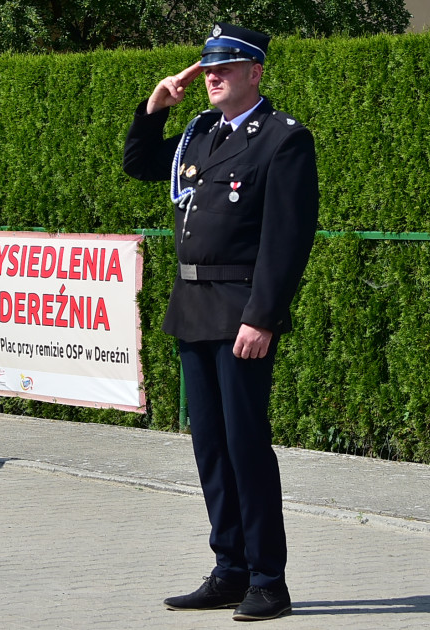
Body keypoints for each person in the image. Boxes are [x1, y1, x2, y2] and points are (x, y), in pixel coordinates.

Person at [122, 23, 319, 622]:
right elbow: (140, 164)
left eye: (226, 68)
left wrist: (262, 316)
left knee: (245, 447)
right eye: (208, 68)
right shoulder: (200, 132)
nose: (212, 76)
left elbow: (286, 240)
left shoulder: (282, 140)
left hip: (240, 314)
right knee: (210, 447)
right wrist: (153, 109)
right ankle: (229, 568)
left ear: (255, 74)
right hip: (192, 310)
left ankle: (268, 577)